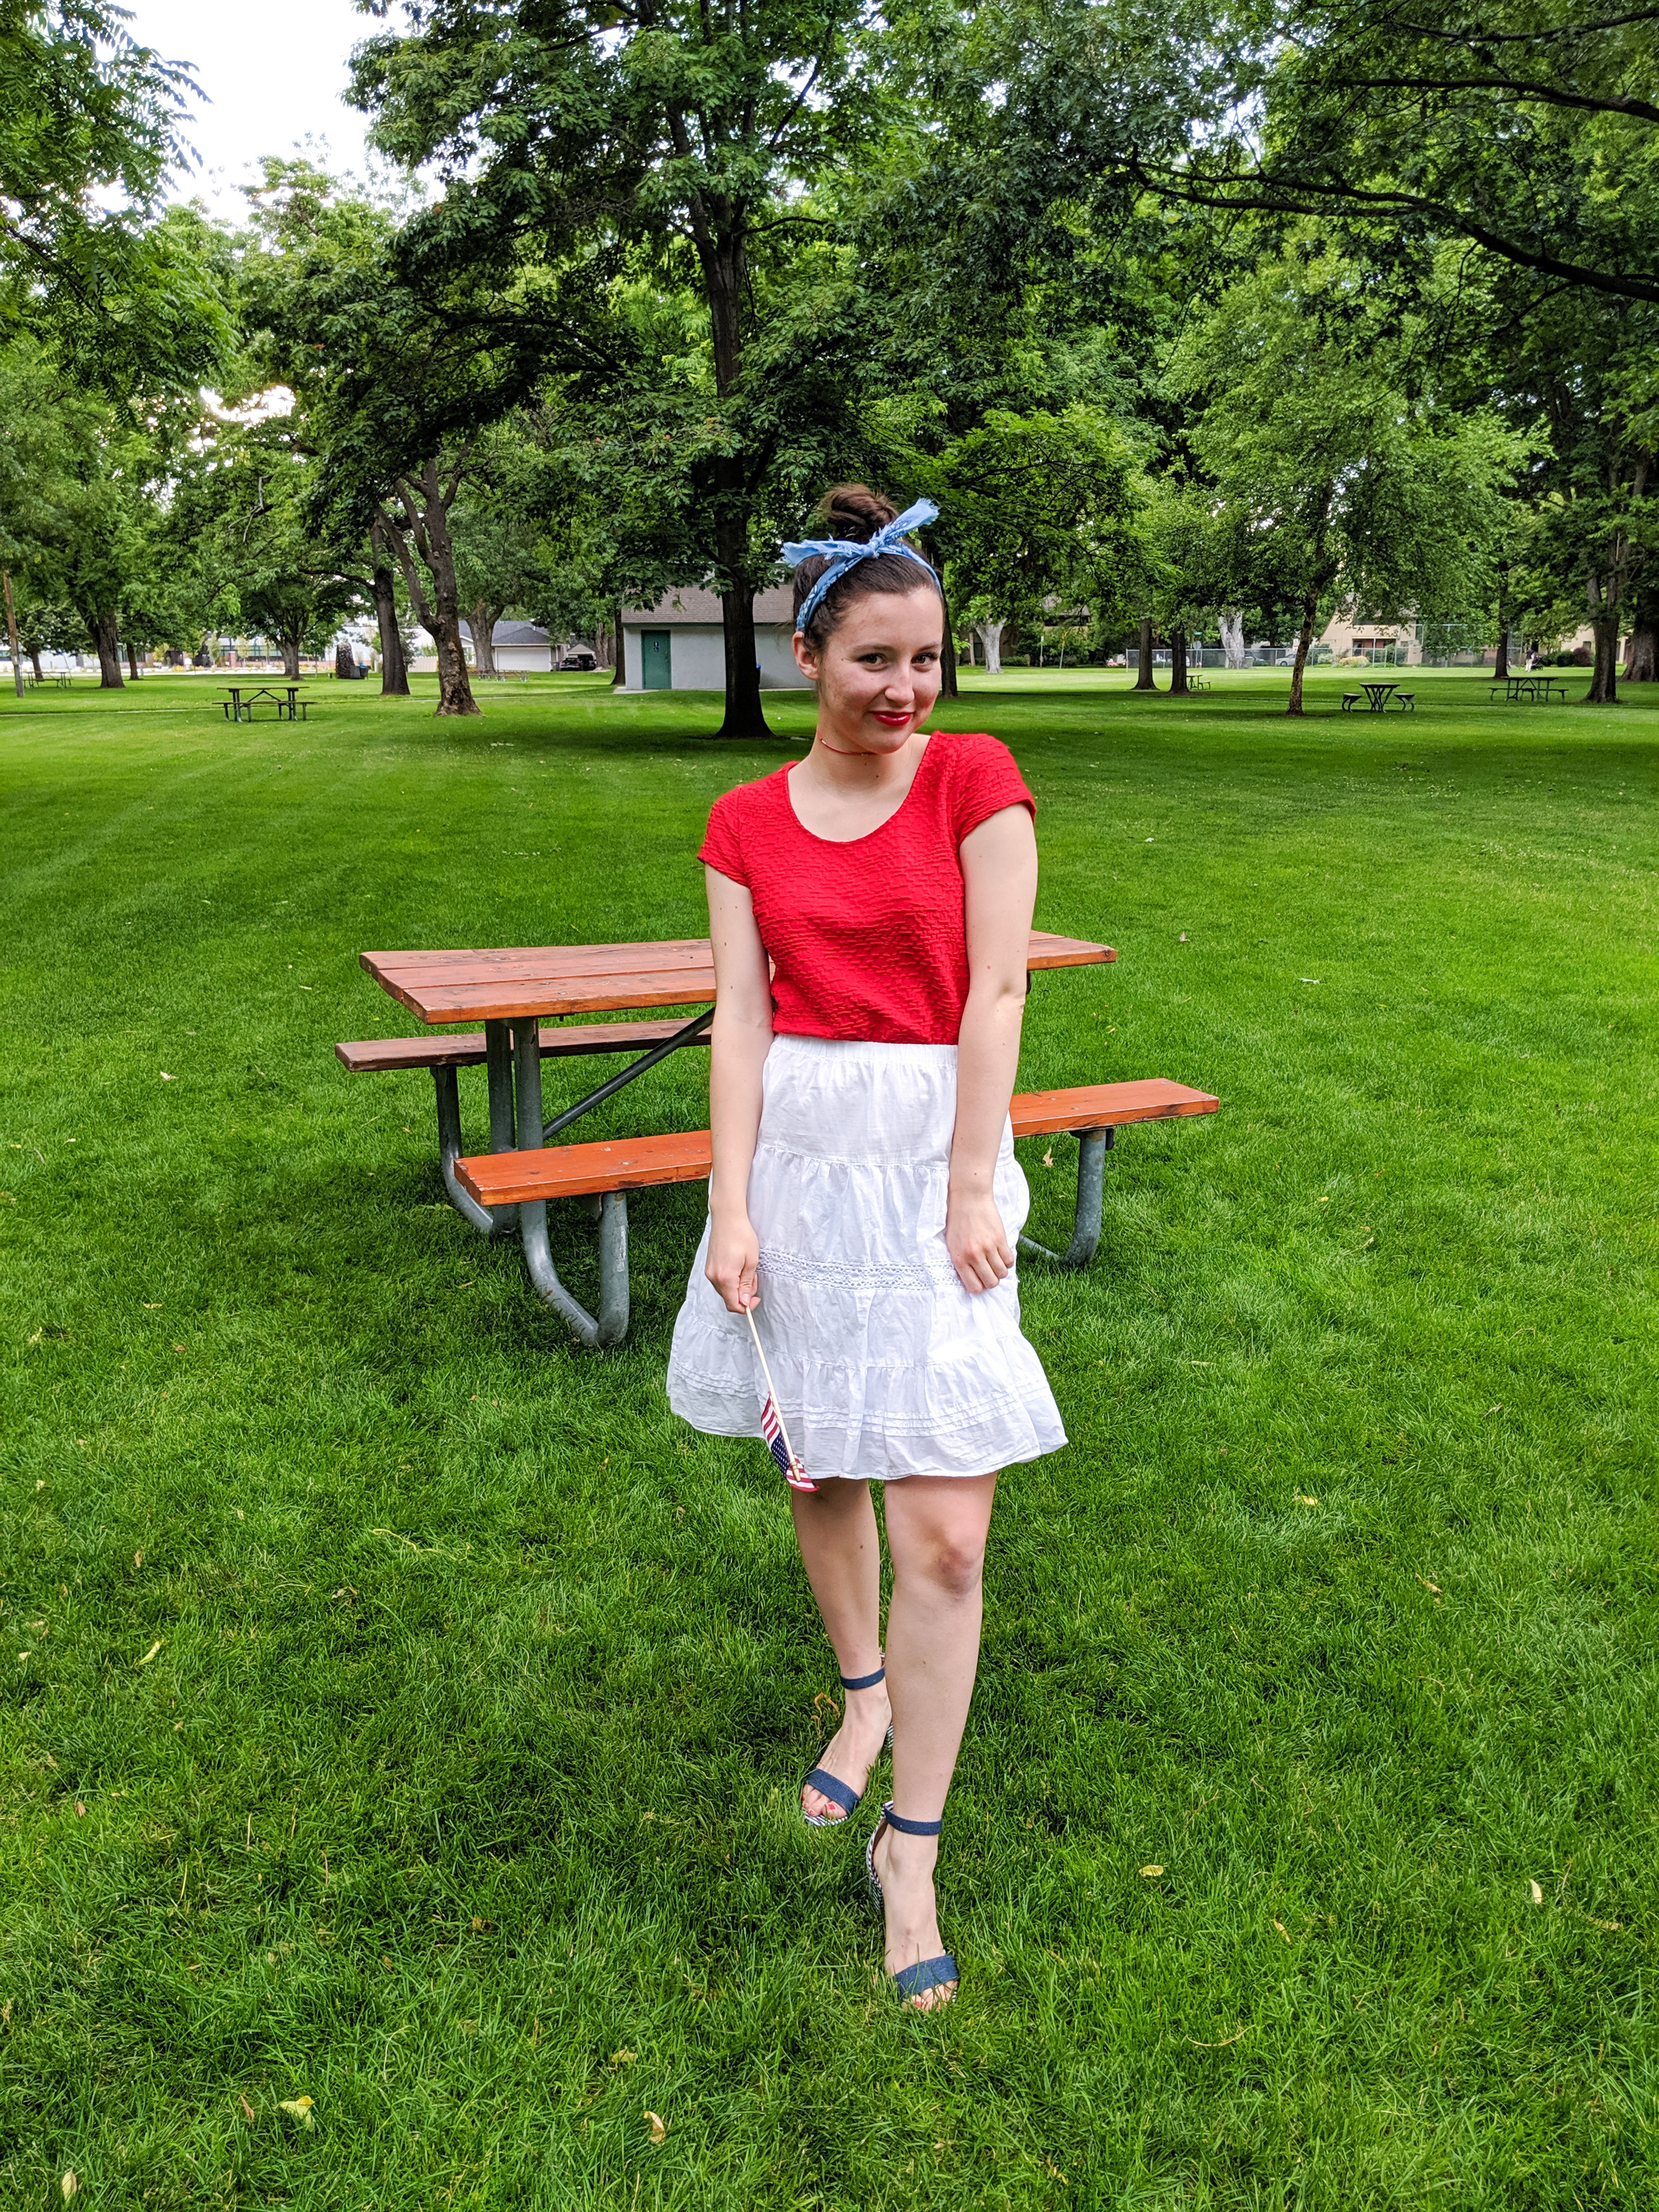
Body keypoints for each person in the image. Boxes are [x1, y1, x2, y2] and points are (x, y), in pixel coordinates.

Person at [667, 484, 1066, 2010]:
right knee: (820, 1461)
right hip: (802, 1154)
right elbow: (746, 1015)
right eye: (875, 661)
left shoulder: (974, 777)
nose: (907, 691)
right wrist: (731, 1198)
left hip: (933, 1158)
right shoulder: (743, 821)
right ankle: (859, 1701)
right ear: (807, 653)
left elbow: (999, 995)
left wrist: (974, 1184)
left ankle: (916, 1845)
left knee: (949, 1529)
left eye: (930, 659)